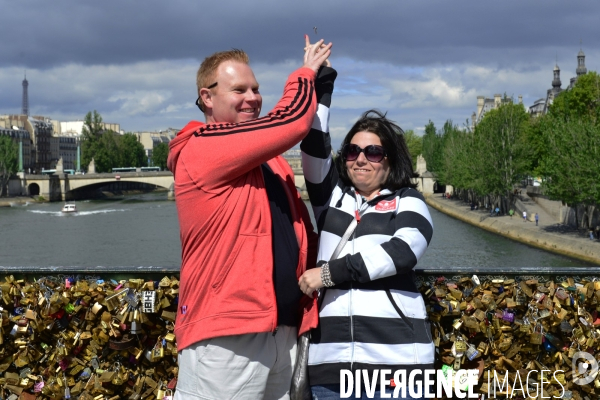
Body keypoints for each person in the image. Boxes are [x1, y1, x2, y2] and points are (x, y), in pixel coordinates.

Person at [167, 40, 332, 400]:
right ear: (206, 98)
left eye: (256, 89)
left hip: (282, 331)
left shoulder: (270, 162)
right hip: (228, 337)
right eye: (238, 89)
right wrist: (304, 75)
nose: (253, 98)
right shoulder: (202, 145)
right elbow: (291, 122)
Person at [299, 101, 434, 397]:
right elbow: (313, 149)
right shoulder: (331, 201)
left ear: (389, 160)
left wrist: (329, 274)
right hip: (331, 366)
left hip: (397, 366)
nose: (360, 159)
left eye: (373, 152)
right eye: (352, 151)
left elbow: (404, 249)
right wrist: (322, 86)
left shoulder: (407, 201)